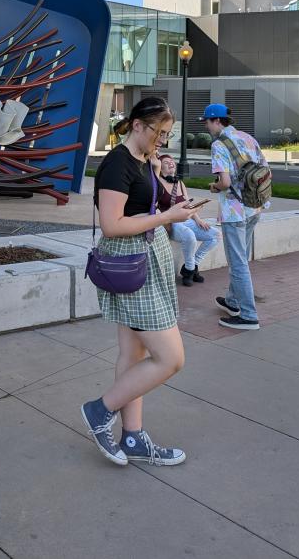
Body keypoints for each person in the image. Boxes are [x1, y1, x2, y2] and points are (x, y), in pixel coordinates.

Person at [81, 98, 199, 467]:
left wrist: (178, 204)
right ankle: (100, 411)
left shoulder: (142, 161)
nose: (162, 140)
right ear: (136, 125)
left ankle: (132, 438)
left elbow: (161, 202)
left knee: (134, 355)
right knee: (171, 358)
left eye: (167, 134)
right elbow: (112, 224)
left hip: (146, 260)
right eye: (158, 133)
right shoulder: (117, 163)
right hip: (131, 262)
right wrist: (165, 216)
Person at [200, 103, 268, 331]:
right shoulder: (248, 138)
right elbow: (264, 170)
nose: (207, 126)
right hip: (254, 206)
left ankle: (248, 316)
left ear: (217, 121)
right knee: (242, 258)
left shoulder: (219, 145)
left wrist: (214, 186)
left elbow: (225, 183)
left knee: (238, 263)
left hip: (234, 211)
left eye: (207, 122)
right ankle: (232, 301)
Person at [156, 154, 219, 286]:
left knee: (215, 235)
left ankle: (192, 266)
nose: (171, 163)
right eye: (166, 162)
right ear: (160, 168)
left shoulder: (179, 183)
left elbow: (187, 205)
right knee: (189, 235)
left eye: (172, 161)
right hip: (171, 223)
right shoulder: (157, 183)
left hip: (186, 220)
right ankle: (190, 270)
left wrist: (198, 220)